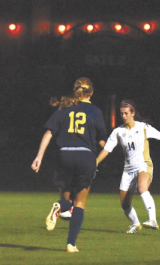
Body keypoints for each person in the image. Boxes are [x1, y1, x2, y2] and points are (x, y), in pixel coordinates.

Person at [31, 77, 106, 252]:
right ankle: (71, 244)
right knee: (79, 204)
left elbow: (49, 133)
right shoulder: (95, 111)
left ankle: (60, 206)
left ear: (76, 91)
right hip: (85, 156)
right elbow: (102, 141)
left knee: (66, 203)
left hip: (65, 154)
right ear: (91, 93)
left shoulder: (64, 108)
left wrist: (39, 157)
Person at [95, 100, 160, 233]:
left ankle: (153, 219)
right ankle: (135, 223)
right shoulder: (118, 132)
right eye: (121, 114)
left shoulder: (143, 127)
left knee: (142, 188)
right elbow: (107, 149)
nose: (123, 116)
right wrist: (95, 162)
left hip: (143, 165)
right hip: (128, 170)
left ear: (133, 113)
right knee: (124, 204)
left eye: (126, 113)